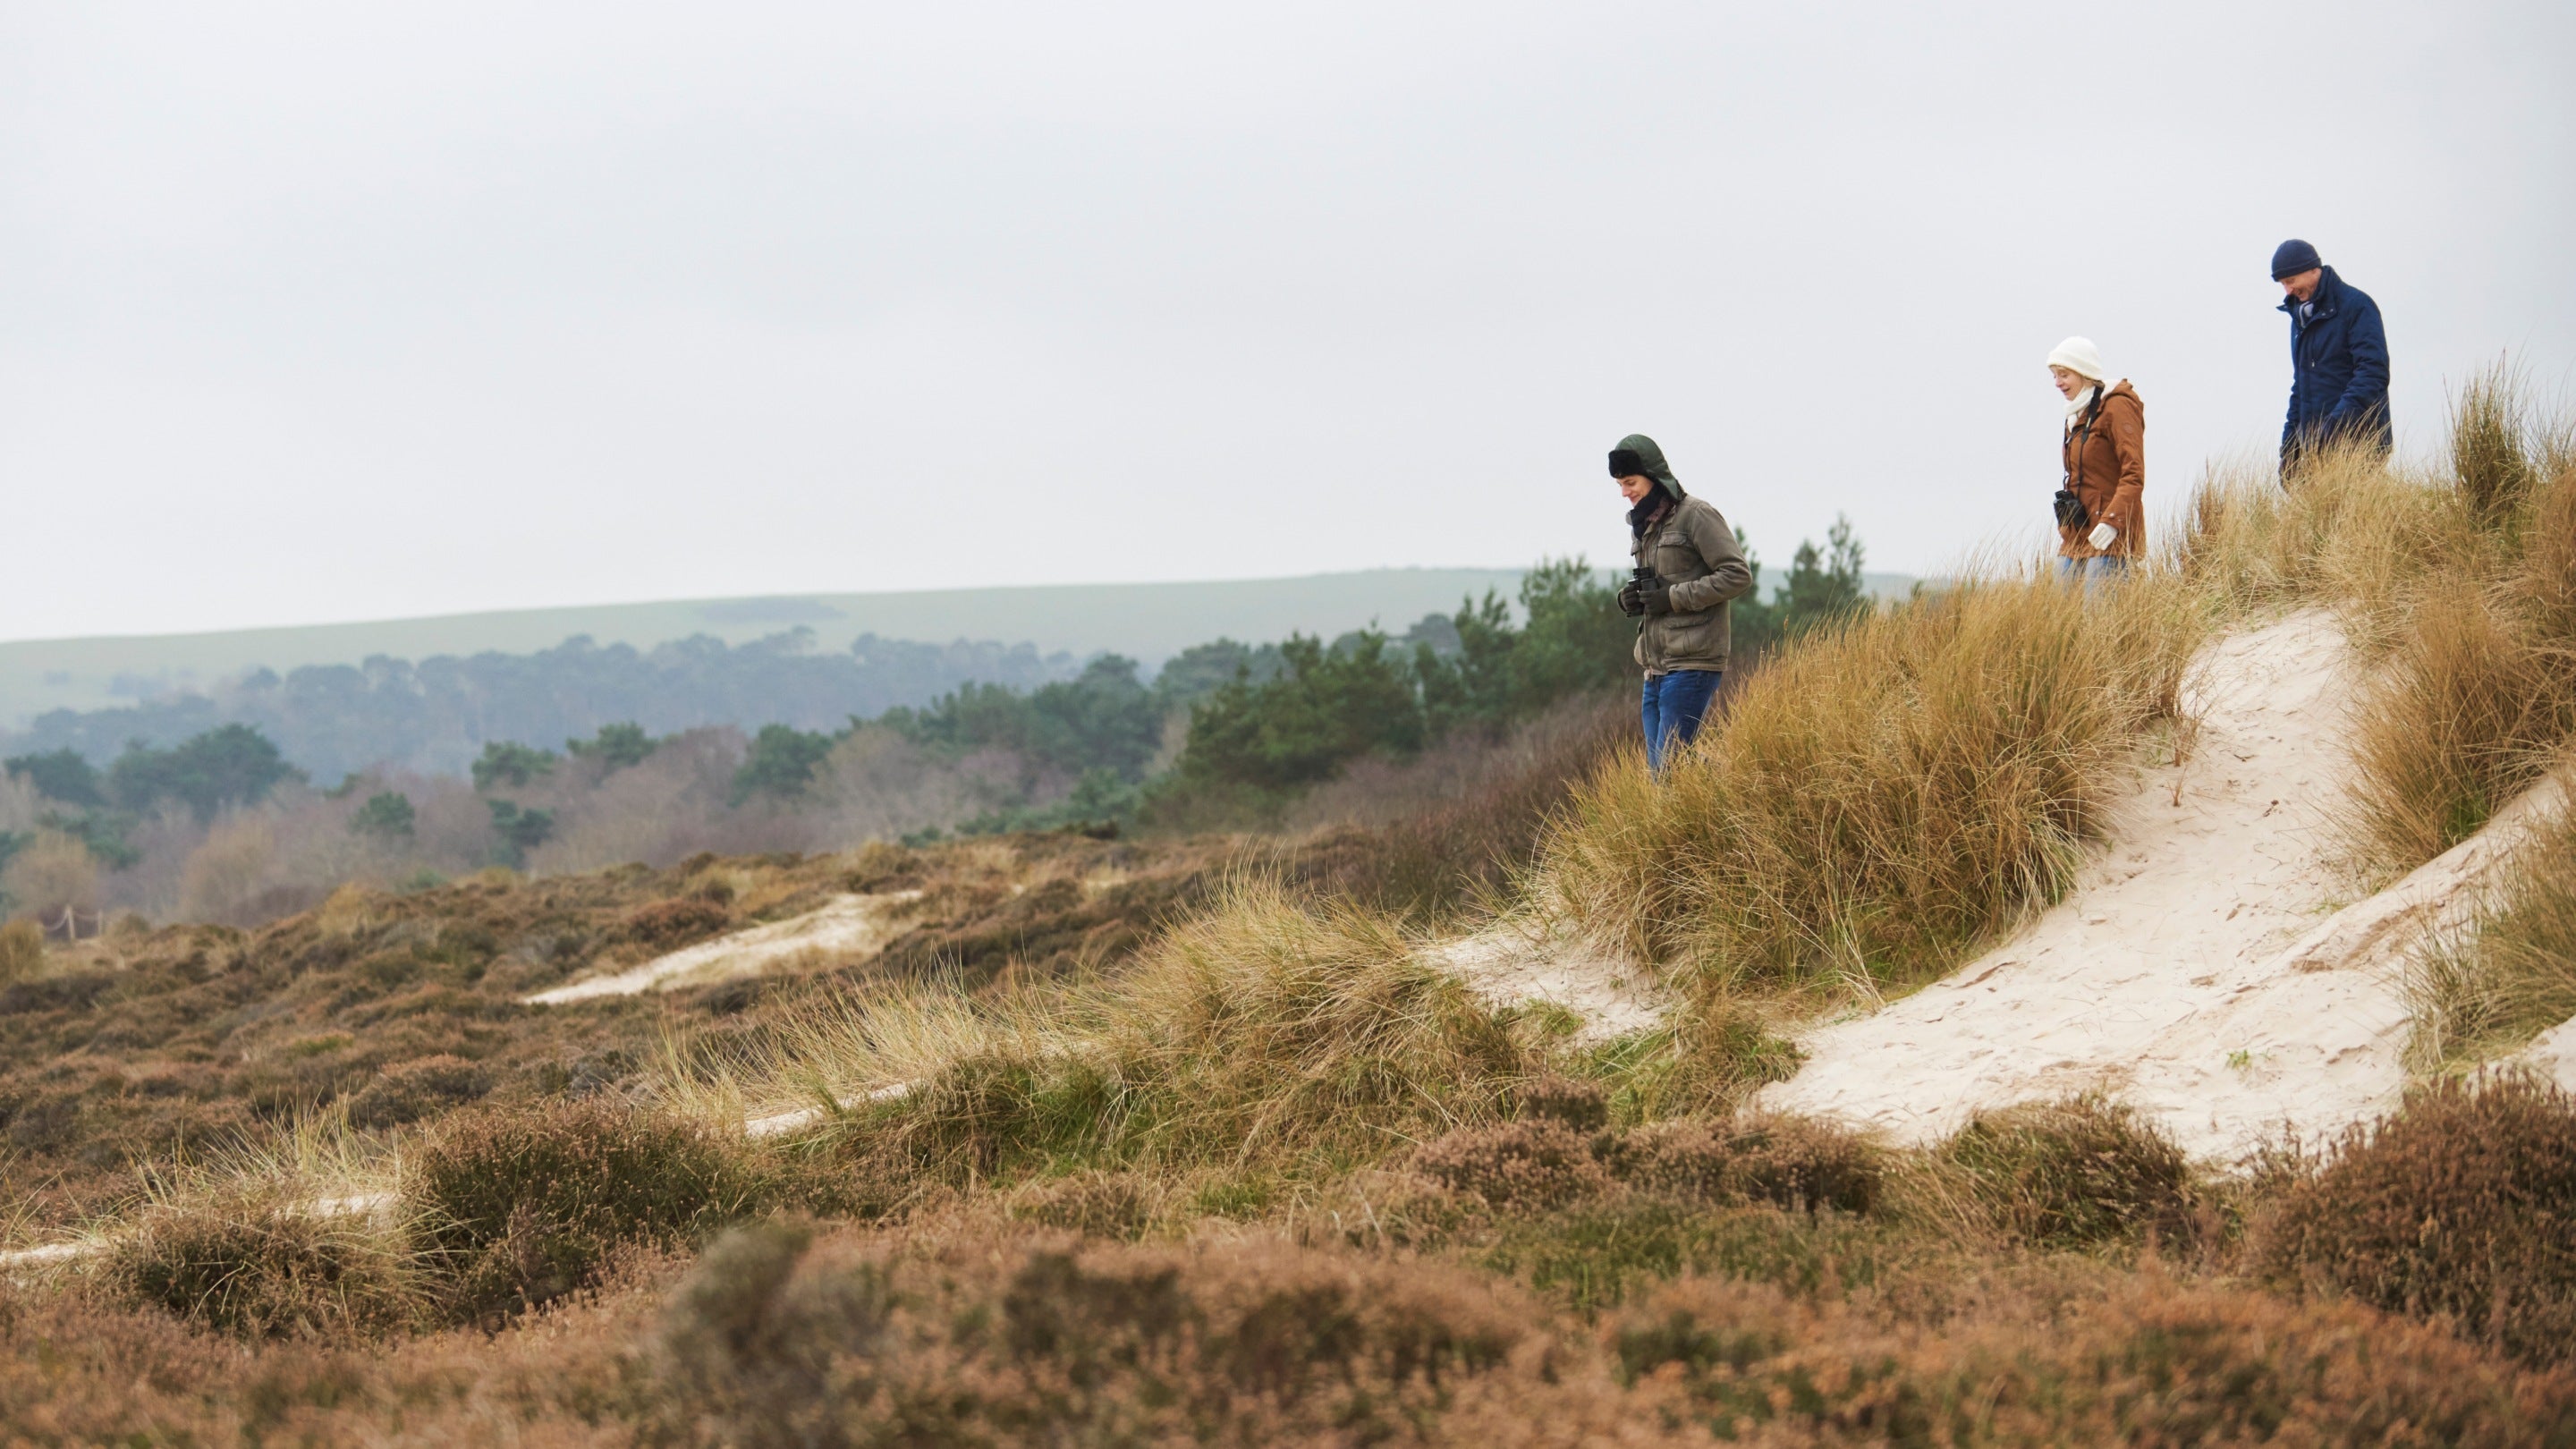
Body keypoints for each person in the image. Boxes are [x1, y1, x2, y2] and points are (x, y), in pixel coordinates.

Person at [1610, 434, 1753, 771]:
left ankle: (1741, 780)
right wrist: (1630, 598)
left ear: (1653, 474)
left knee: (1669, 767)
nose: (1624, 493)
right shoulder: (1644, 525)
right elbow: (1662, 584)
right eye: (1619, 484)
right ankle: (1737, 782)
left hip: (1693, 662)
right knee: (1665, 773)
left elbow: (1737, 574)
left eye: (1630, 482)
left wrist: (1671, 598)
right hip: (1655, 667)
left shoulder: (1697, 515)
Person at [2271, 238, 2391, 471]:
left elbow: (2373, 372)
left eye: (2291, 281)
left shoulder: (2357, 306)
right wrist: (2291, 447)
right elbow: (2302, 384)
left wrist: (2337, 425)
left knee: (2360, 508)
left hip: (2361, 446)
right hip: (2317, 452)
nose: (2288, 290)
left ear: (2313, 270)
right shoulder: (2300, 320)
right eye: (2283, 284)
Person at [2046, 336, 2144, 590]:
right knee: (2060, 618)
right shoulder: (2075, 416)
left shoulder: (2117, 406)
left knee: (2099, 622)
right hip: (2076, 535)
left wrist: (2113, 521)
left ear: (2084, 373)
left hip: (2110, 535)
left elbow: (2133, 474)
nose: (2057, 383)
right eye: (2054, 376)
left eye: (2064, 374)